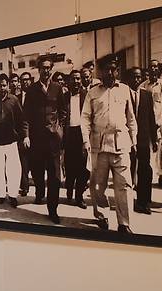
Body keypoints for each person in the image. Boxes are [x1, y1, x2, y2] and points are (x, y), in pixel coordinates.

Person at [81, 54, 137, 233]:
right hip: (99, 146)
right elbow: (85, 119)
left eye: (114, 69)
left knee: (124, 185)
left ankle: (124, 223)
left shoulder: (125, 90)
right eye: (107, 69)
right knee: (98, 185)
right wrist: (85, 141)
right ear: (101, 71)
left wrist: (134, 141)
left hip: (121, 145)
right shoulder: (92, 92)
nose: (111, 73)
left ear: (117, 70)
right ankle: (102, 215)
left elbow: (131, 119)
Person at [23, 57, 68, 224]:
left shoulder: (57, 88)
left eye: (49, 68)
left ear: (52, 69)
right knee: (37, 172)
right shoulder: (32, 91)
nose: (46, 71)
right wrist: (26, 135)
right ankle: (39, 191)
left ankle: (53, 209)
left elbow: (63, 111)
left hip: (53, 140)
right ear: (38, 70)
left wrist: (60, 129)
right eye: (43, 68)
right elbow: (26, 116)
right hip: (36, 140)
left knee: (55, 176)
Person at [0, 73, 27, 208]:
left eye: (4, 85)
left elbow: (21, 120)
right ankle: (1, 194)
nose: (2, 87)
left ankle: (13, 195)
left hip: (11, 141)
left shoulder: (14, 100)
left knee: (14, 169)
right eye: (0, 85)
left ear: (8, 85)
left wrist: (23, 136)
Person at [127, 67, 159, 215]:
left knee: (145, 170)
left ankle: (144, 202)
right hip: (127, 139)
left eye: (139, 77)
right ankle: (127, 202)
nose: (137, 80)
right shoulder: (123, 94)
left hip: (144, 139)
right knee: (128, 170)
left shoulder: (147, 95)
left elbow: (151, 118)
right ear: (128, 79)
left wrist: (155, 138)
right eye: (134, 77)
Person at [139, 59, 162, 187]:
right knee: (148, 150)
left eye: (156, 67)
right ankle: (147, 177)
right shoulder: (143, 86)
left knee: (161, 149)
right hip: (147, 123)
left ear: (159, 69)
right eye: (151, 66)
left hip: (159, 122)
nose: (153, 69)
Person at [63, 69, 89, 209]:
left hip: (82, 134)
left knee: (83, 168)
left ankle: (79, 197)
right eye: (73, 79)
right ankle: (69, 189)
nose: (77, 81)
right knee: (69, 166)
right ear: (69, 81)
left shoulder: (87, 95)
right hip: (69, 135)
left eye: (78, 79)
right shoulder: (64, 97)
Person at [17, 72, 33, 196]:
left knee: (36, 161)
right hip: (20, 134)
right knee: (23, 161)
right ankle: (25, 186)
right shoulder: (16, 97)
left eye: (27, 80)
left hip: (36, 133)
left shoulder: (36, 95)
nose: (25, 82)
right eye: (22, 80)